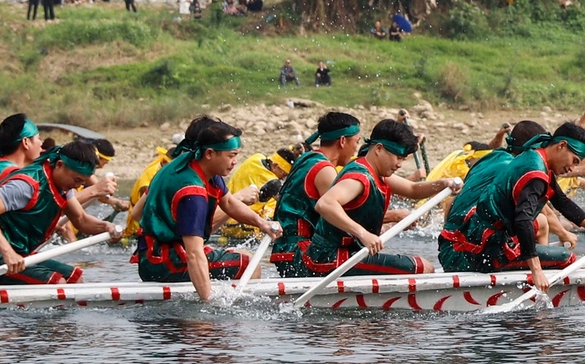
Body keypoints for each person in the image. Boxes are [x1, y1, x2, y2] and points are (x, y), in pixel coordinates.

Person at [438, 121, 585, 293]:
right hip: (471, 255)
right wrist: (536, 270)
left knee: (540, 228)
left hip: (458, 245)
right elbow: (523, 219)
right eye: (574, 160)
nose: (573, 168)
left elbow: (563, 203)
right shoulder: (535, 172)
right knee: (566, 258)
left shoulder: (533, 159)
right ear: (561, 146)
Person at [131, 117, 281, 300]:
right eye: (231, 155)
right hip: (165, 262)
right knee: (248, 263)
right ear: (209, 153)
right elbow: (194, 254)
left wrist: (262, 223)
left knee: (241, 255)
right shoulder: (192, 192)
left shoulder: (194, 164)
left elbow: (228, 203)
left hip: (153, 255)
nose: (235, 162)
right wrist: (207, 305)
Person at [299, 118, 461, 277]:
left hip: (347, 255)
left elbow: (412, 189)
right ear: (378, 149)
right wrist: (363, 234)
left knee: (417, 265)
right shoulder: (359, 178)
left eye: (403, 159)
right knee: (424, 267)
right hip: (329, 259)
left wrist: (443, 184)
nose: (400, 164)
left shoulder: (377, 173)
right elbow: (325, 204)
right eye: (398, 157)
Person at [0, 139, 115, 286]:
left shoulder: (62, 187)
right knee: (57, 284)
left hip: (17, 256)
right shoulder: (27, 184)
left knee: (75, 279)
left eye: (82, 182)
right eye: (76, 180)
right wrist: (8, 252)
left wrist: (106, 227)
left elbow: (81, 219)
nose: (77, 186)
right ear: (59, 165)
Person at [267, 112, 363, 275]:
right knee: (415, 265)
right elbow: (345, 218)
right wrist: (391, 217)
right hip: (301, 255)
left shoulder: (307, 159)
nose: (356, 148)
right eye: (356, 142)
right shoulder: (325, 171)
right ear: (342, 141)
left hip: (284, 253)